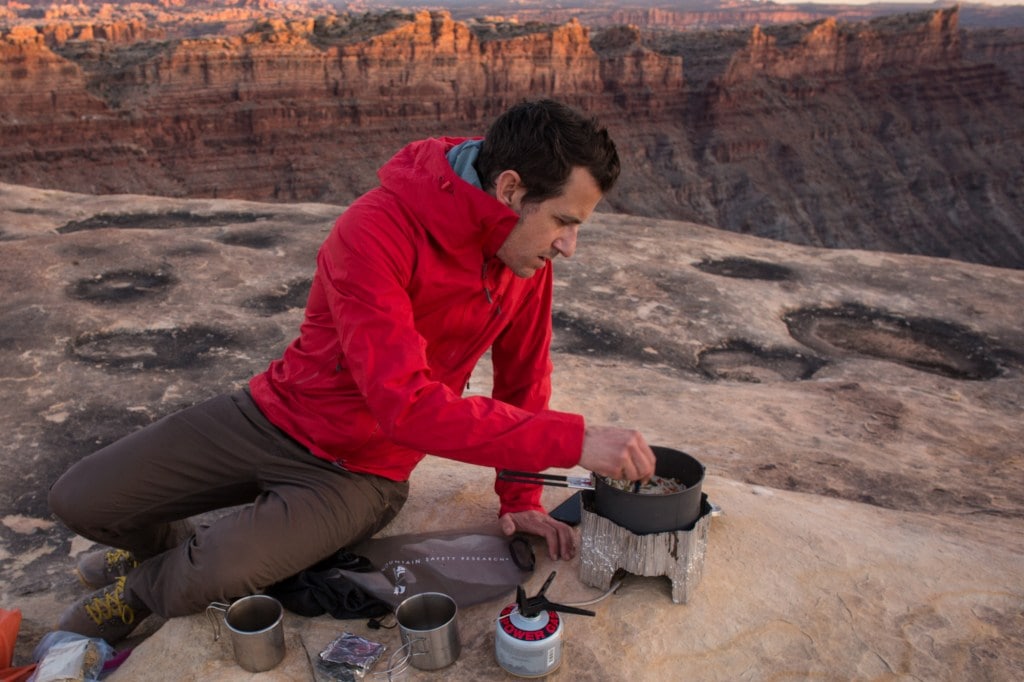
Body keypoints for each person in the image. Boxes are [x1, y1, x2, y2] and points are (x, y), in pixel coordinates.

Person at [48, 98, 657, 644]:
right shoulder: (375, 230)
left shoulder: (523, 262)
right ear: (508, 188)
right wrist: (576, 441)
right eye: (564, 222)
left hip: (364, 473)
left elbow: (523, 378)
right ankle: (175, 549)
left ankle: (138, 592)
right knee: (83, 499)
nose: (568, 246)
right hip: (270, 415)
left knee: (209, 576)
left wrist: (521, 494)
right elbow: (406, 403)